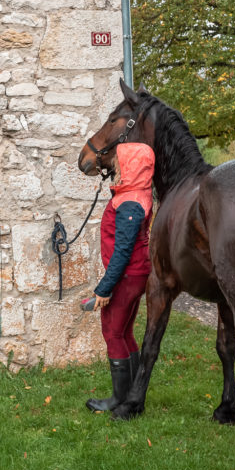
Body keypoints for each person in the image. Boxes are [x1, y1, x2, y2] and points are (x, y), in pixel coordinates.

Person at [84, 141, 155, 413]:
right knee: (125, 331)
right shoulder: (133, 194)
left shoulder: (131, 203)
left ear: (132, 166)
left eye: (120, 162)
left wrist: (104, 289)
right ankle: (132, 396)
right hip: (134, 274)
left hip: (127, 275)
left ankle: (118, 399)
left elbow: (123, 252)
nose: (116, 166)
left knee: (112, 331)